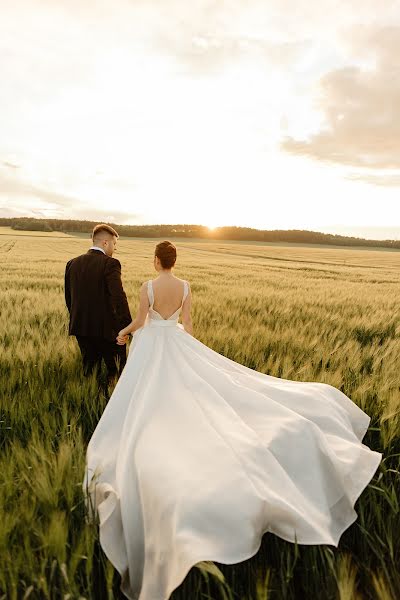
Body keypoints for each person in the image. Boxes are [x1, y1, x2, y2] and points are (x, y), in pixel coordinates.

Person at [83, 240, 382, 600]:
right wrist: (191, 353)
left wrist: (125, 333)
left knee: (149, 397)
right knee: (192, 390)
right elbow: (188, 325)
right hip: (176, 343)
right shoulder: (185, 286)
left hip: (152, 347)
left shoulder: (148, 286)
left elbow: (141, 320)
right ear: (173, 261)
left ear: (155, 260)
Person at [64, 223, 131, 387]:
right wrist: (128, 328)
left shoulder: (72, 263)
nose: (115, 248)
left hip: (81, 328)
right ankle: (111, 407)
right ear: (105, 243)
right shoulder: (111, 263)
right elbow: (118, 298)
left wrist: (78, 319)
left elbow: (69, 298)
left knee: (89, 371)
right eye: (114, 244)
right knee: (115, 372)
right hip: (107, 331)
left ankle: (90, 399)